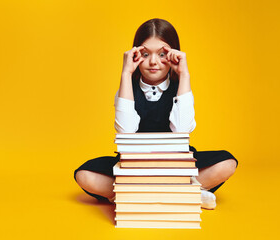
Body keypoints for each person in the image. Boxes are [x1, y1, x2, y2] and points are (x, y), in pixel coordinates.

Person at [74, 18, 238, 210]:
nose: (153, 62)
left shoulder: (180, 87)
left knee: (227, 163)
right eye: (145, 54)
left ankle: (138, 195)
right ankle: (183, 194)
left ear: (174, 54)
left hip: (177, 166)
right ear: (135, 55)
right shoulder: (127, 88)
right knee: (84, 175)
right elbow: (125, 131)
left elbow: (182, 130)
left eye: (162, 54)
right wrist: (125, 74)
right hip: (133, 167)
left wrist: (184, 75)